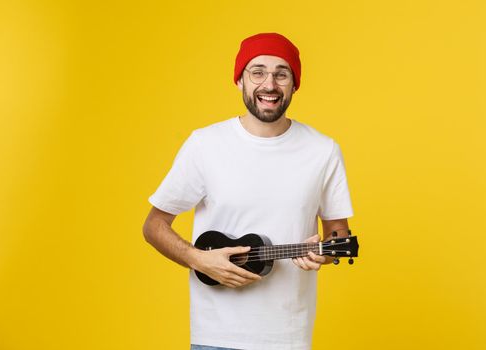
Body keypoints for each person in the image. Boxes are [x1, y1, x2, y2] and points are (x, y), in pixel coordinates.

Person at [143, 33, 354, 350]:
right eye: (257, 72)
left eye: (281, 74)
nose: (269, 84)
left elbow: (338, 234)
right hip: (215, 336)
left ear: (294, 84)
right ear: (240, 80)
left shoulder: (323, 150)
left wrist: (322, 255)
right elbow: (154, 225)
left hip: (288, 336)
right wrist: (198, 259)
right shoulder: (205, 144)